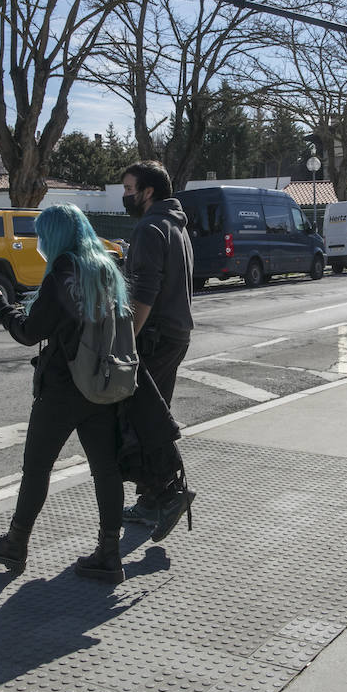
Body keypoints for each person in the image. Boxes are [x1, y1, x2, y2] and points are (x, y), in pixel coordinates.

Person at [0, 203, 132, 584]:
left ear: (56, 236)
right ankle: (109, 553)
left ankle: (15, 543)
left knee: (38, 467)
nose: (40, 241)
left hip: (62, 387)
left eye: (43, 234)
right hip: (102, 383)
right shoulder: (106, 267)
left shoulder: (63, 269)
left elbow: (31, 332)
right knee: (105, 470)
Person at [118, 160, 196, 540]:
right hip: (176, 332)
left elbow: (146, 292)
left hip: (153, 335)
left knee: (141, 418)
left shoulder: (150, 227)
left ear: (148, 192)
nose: (125, 195)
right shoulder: (175, 225)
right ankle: (151, 498)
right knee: (152, 411)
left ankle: (168, 493)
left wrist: (126, 340)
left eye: (129, 188)